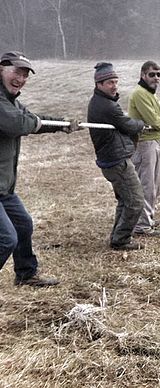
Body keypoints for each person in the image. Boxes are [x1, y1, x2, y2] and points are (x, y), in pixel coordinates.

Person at [0, 51, 78, 287]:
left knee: (23, 224)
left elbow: (32, 119)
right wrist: (37, 123)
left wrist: (61, 124)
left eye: (25, 75)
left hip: (4, 187)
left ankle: (25, 274)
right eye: (16, 72)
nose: (21, 79)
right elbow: (17, 124)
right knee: (6, 239)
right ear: (1, 69)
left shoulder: (11, 101)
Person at [87, 62, 145, 251]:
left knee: (124, 200)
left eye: (115, 81)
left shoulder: (102, 102)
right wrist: (140, 124)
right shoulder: (106, 106)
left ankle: (117, 236)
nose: (114, 86)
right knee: (135, 201)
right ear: (99, 84)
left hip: (113, 159)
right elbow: (128, 125)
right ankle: (121, 239)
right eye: (110, 82)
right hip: (116, 160)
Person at [128, 61, 160, 236]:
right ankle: (142, 225)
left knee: (155, 185)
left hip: (153, 143)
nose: (156, 78)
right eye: (152, 74)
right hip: (144, 144)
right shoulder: (140, 94)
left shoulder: (150, 94)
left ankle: (148, 219)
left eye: (158, 74)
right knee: (146, 185)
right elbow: (155, 121)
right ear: (143, 75)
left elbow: (157, 120)